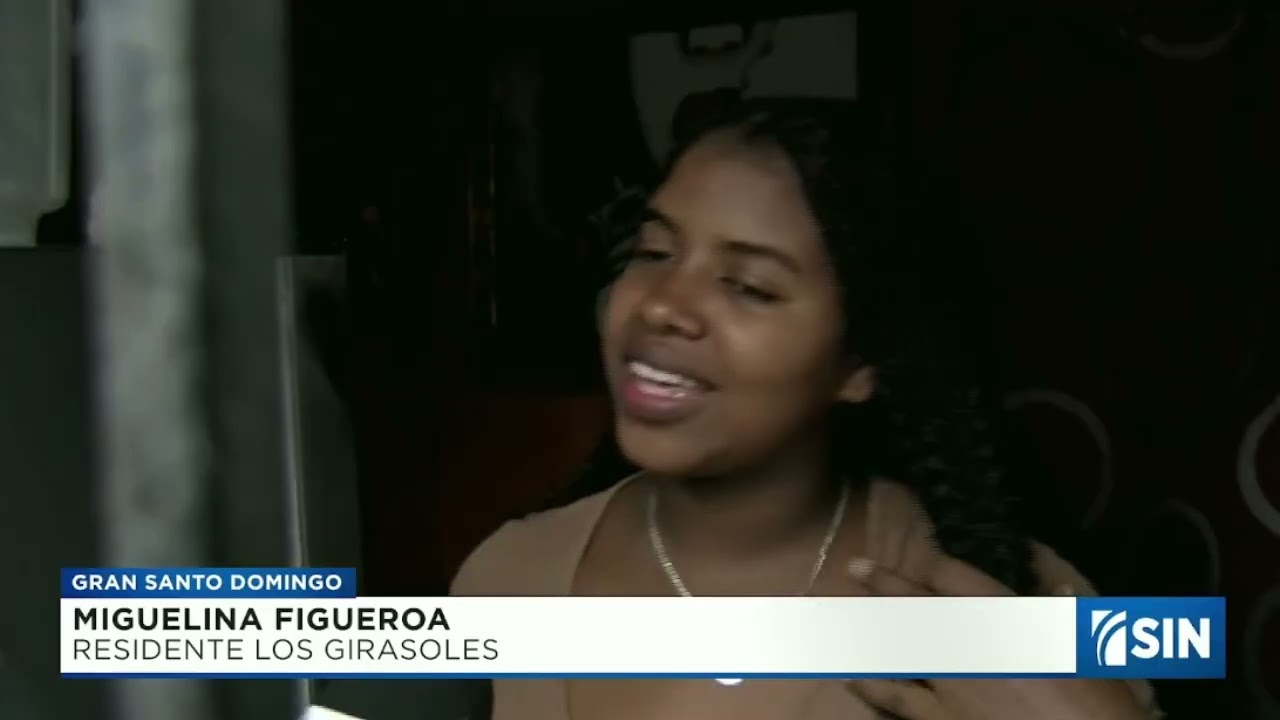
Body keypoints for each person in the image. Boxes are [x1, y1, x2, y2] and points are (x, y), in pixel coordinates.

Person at [452, 98, 1160, 720]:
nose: (663, 306)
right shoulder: (507, 577)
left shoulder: (1012, 607)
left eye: (749, 286)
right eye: (655, 251)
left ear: (859, 364)